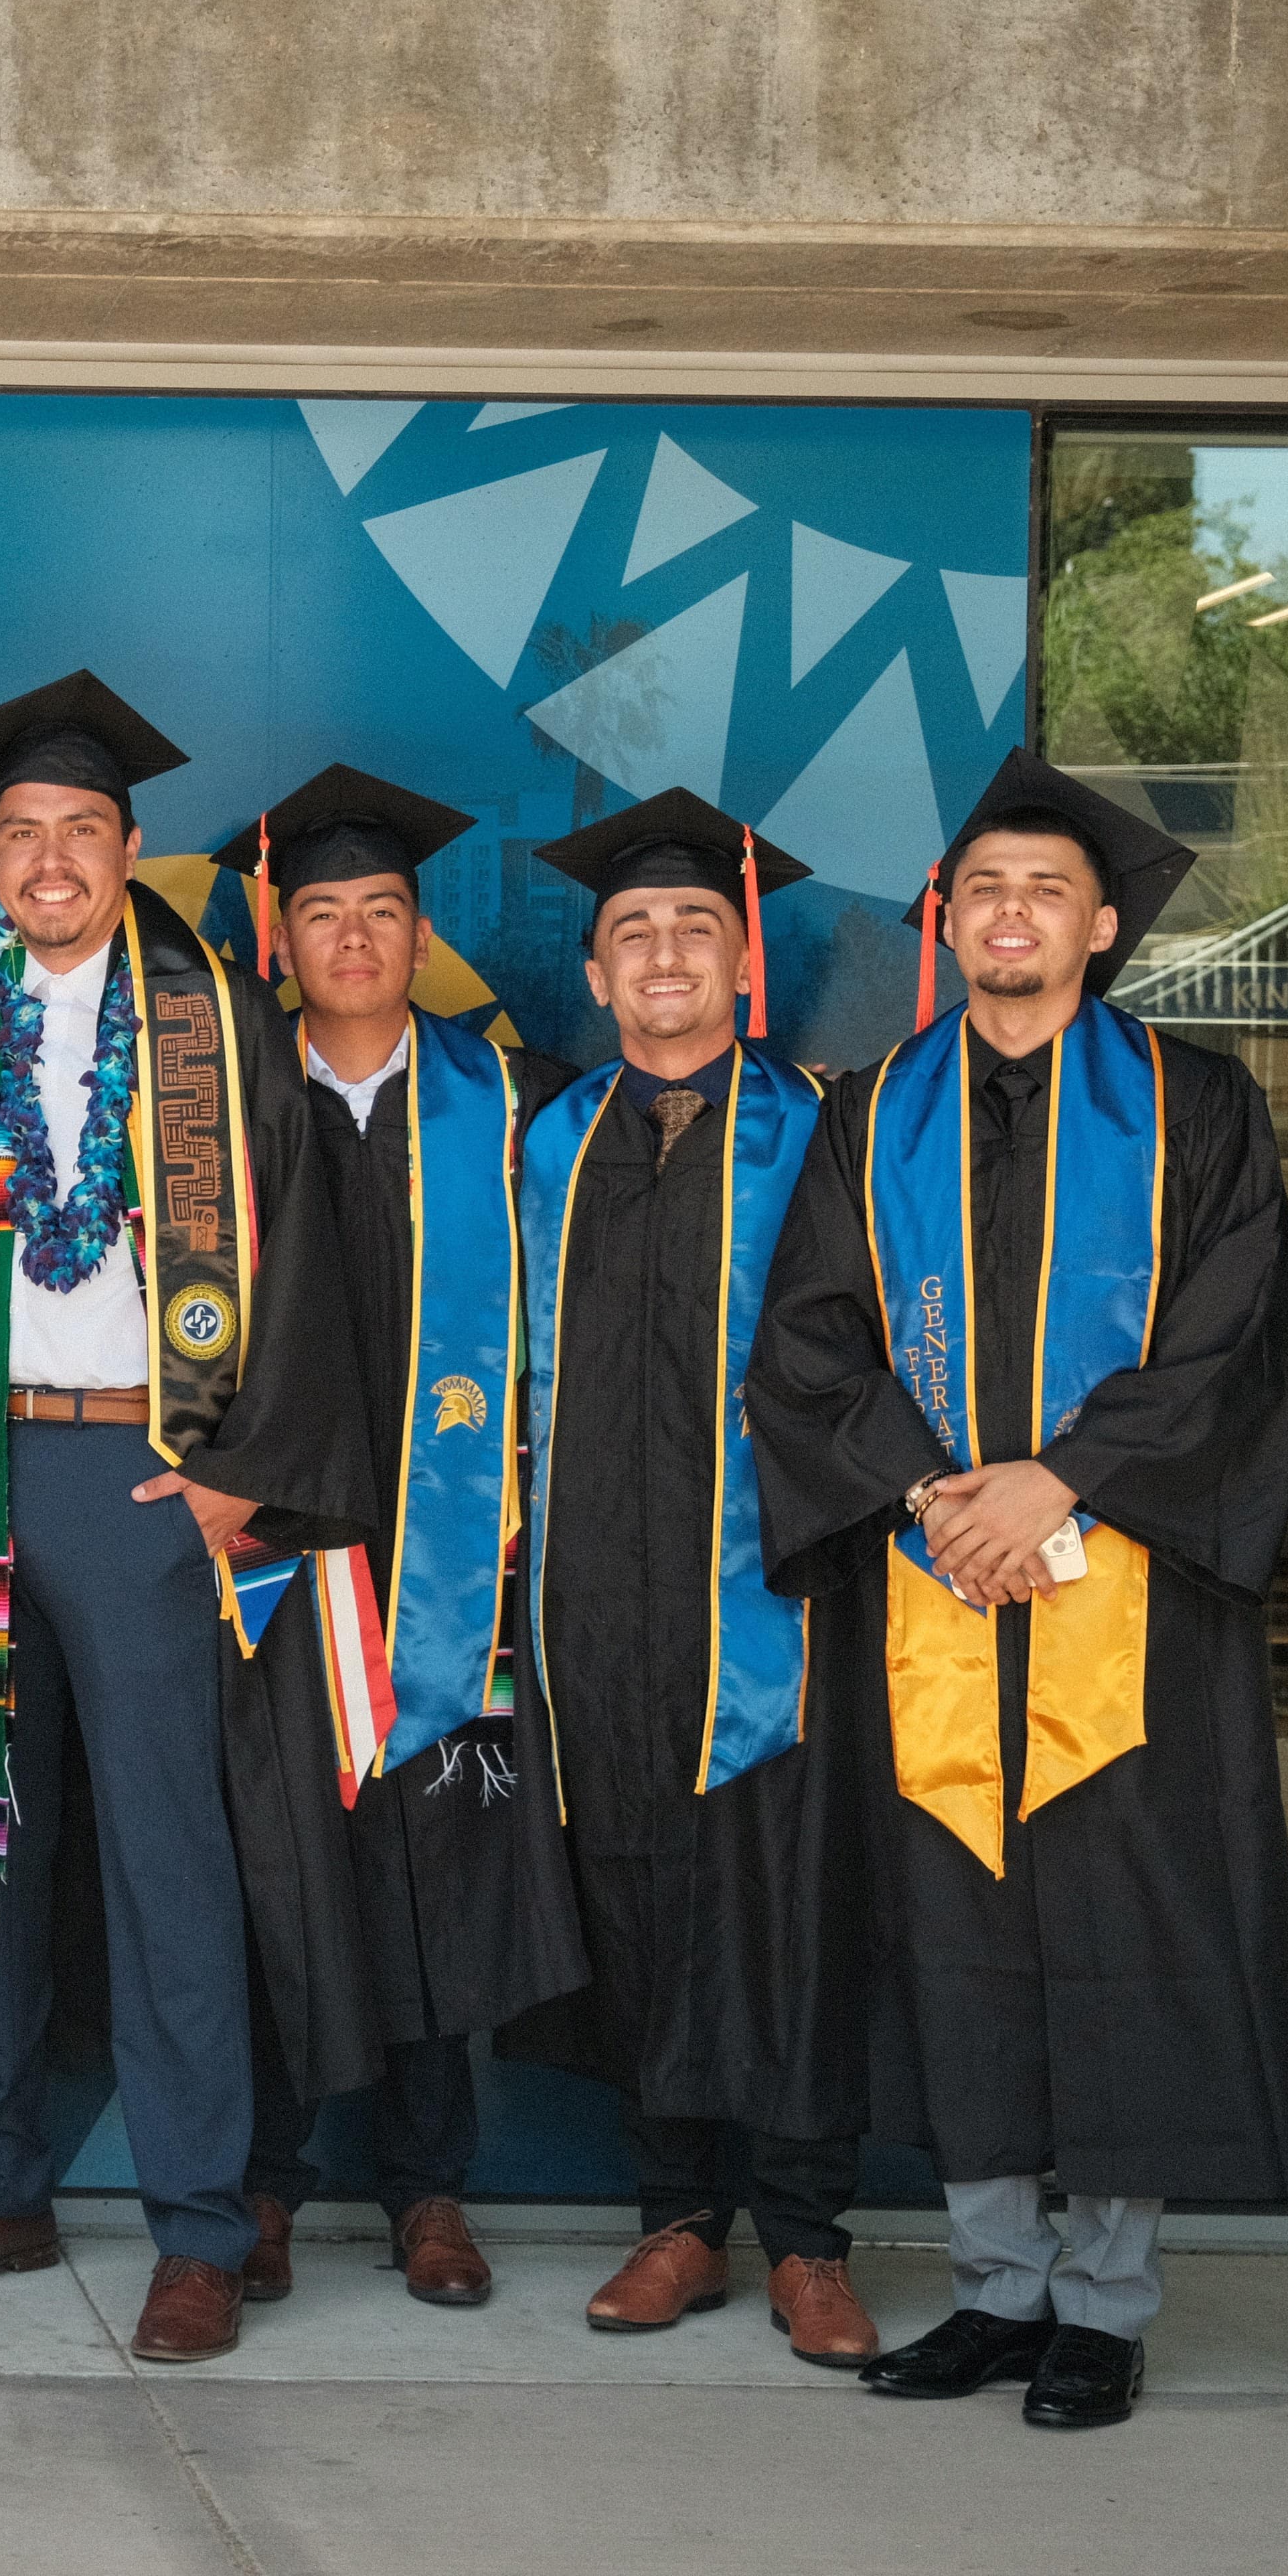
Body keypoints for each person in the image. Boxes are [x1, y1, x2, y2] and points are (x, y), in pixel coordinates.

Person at [750, 756, 1288, 2431]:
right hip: (936, 1588)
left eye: (1046, 891)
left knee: (1122, 1931)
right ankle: (998, 2288)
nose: (1011, 912)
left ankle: (1104, 2304)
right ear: (952, 919)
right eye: (984, 888)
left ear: (1103, 923)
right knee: (958, 1932)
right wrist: (937, 1494)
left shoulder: (1197, 1109)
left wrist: (1061, 1480)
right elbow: (811, 1339)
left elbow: (1231, 1334)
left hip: (1129, 1598)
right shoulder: (868, 1114)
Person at [0, 674, 369, 2364]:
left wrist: (246, 1470)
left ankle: (202, 2223)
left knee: (172, 1858)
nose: (55, 856)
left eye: (85, 828)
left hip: (148, 1481)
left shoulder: (224, 1021)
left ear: (132, 846)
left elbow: (306, 1265)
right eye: (24, 831)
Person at [492, 789, 877, 2368]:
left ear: (743, 961)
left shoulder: (825, 1126)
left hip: (775, 1590)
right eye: (633, 930)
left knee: (786, 1900)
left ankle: (807, 2235)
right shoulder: (550, 1143)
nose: (663, 951)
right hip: (592, 1588)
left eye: (694, 927)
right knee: (637, 1877)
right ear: (594, 973)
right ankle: (677, 2216)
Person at [210, 767, 584, 2311]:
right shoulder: (222, 1107)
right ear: (279, 938)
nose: (353, 937)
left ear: (423, 932)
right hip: (277, 1560)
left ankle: (432, 2186)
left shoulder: (518, 1107)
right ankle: (270, 2179)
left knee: (440, 1861)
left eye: (381, 911)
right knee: (277, 1868)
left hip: (445, 1562)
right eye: (323, 912)